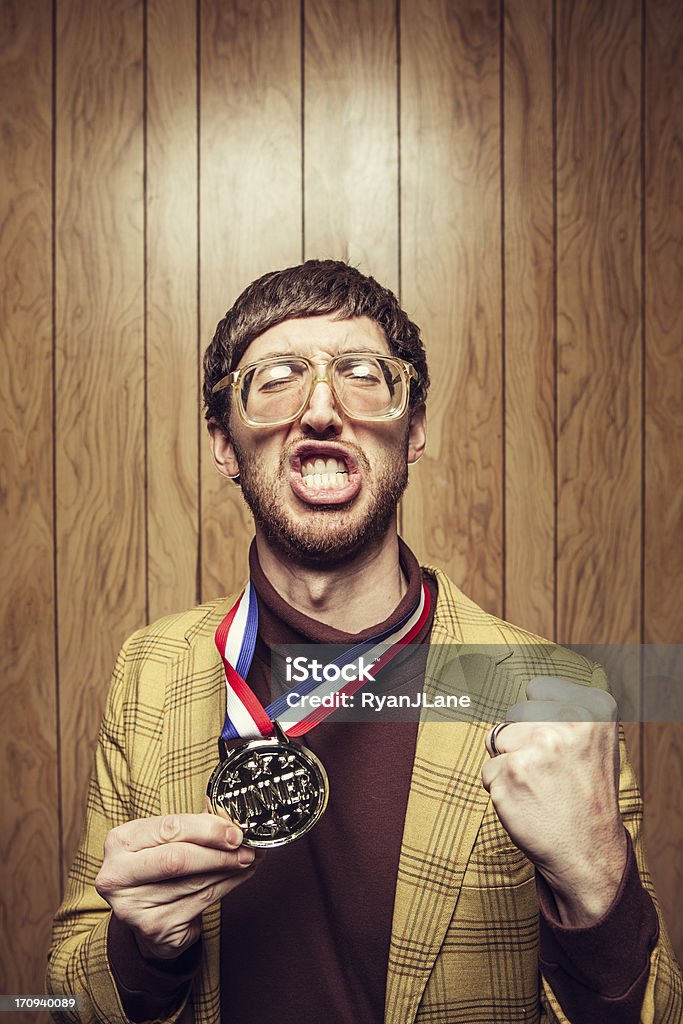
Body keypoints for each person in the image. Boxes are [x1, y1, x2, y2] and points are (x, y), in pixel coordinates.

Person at [48, 261, 682, 1023]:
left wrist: (596, 883)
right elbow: (64, 993)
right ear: (223, 443)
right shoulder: (149, 671)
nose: (320, 409)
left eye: (360, 373)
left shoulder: (549, 693)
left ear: (412, 430)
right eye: (277, 376)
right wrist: (138, 950)